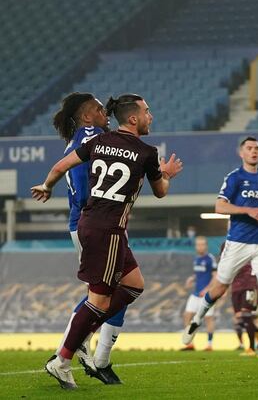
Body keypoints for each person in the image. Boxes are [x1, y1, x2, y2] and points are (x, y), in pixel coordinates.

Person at [33, 94, 183, 390]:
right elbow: (161, 191)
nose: (151, 116)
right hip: (108, 231)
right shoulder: (147, 152)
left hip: (92, 224)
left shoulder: (98, 142)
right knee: (98, 300)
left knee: (134, 284)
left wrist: (46, 185)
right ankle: (62, 359)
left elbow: (61, 165)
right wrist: (166, 174)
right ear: (133, 118)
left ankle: (78, 345)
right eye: (147, 112)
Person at [181, 136, 258, 358]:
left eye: (257, 148)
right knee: (218, 289)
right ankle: (197, 319)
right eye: (250, 148)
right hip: (238, 242)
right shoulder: (234, 178)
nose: (254, 151)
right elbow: (219, 206)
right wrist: (247, 211)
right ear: (241, 153)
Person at [51, 92, 130, 384]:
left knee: (125, 288)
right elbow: (85, 192)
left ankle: (93, 354)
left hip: (99, 224)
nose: (104, 113)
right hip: (95, 225)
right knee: (103, 294)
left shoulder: (85, 138)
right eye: (99, 109)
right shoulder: (92, 136)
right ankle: (70, 353)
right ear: (86, 116)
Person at [181, 236, 217, 351]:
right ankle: (190, 343)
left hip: (207, 295)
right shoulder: (196, 259)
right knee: (187, 315)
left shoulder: (210, 258)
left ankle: (209, 344)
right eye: (198, 244)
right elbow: (198, 274)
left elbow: (215, 276)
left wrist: (207, 289)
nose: (200, 246)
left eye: (202, 244)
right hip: (196, 294)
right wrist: (191, 278)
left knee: (208, 318)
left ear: (206, 246)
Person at [230, 258, 258, 356]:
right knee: (240, 320)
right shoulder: (226, 247)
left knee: (246, 316)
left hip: (249, 287)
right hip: (235, 289)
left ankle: (252, 348)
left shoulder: (251, 247)